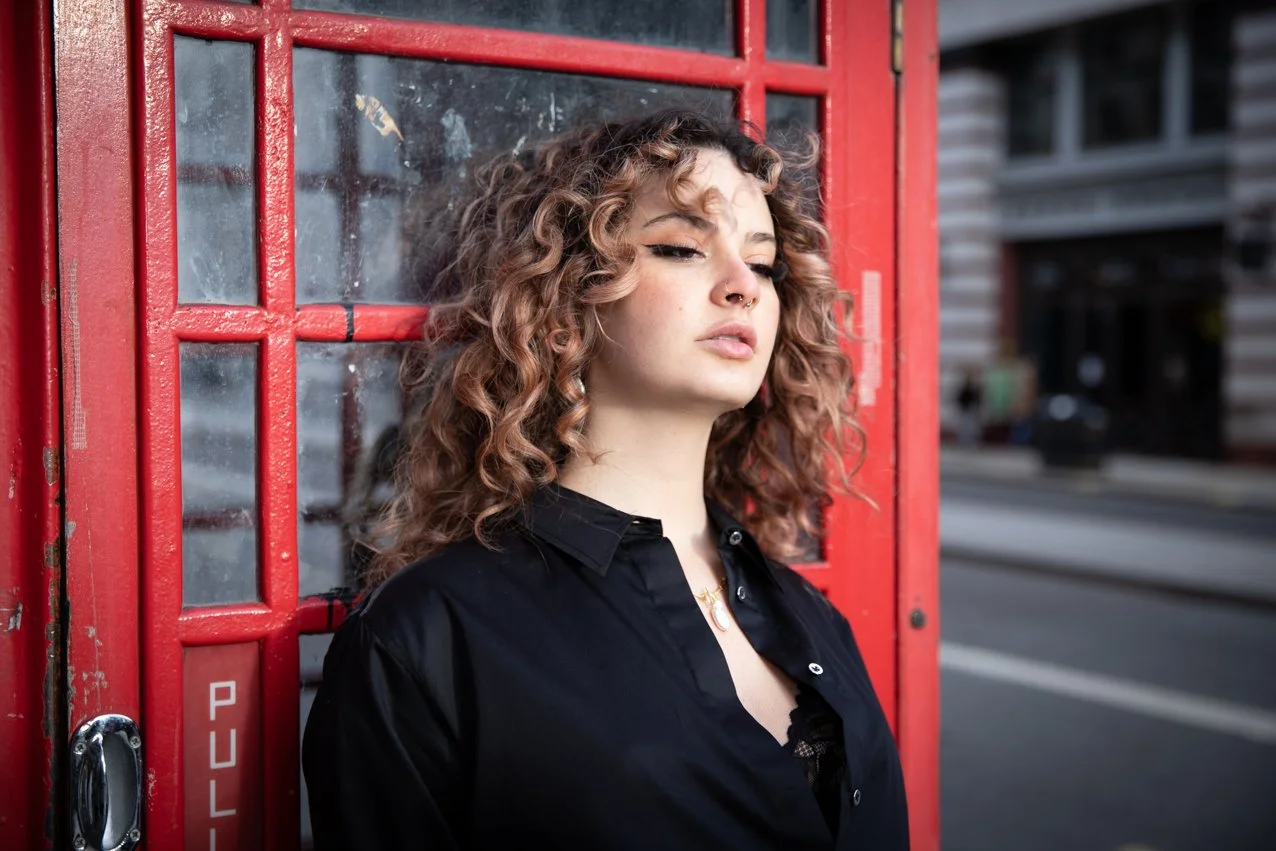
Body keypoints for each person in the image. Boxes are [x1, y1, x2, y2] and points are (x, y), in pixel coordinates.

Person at [302, 109, 909, 850]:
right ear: (570, 291)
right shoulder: (429, 636)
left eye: (762, 263)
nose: (741, 287)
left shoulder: (809, 614)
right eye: (682, 247)